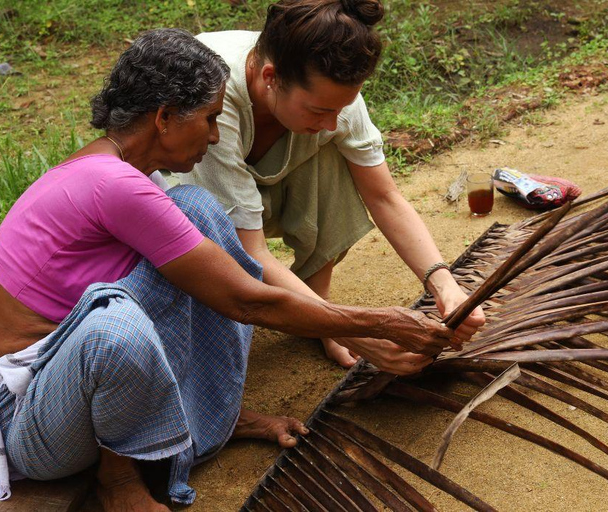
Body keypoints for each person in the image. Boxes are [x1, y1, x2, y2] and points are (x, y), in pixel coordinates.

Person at [0, 29, 474, 511]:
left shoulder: (116, 171)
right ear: (164, 118)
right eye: (209, 119)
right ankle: (117, 480)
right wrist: (378, 324)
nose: (213, 136)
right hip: (29, 421)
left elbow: (223, 280)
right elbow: (245, 299)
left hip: (69, 389)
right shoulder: (114, 184)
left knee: (199, 212)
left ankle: (213, 417)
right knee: (114, 330)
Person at [183, 0, 486, 368]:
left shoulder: (330, 96)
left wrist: (444, 284)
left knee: (332, 150)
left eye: (340, 108)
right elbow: (250, 252)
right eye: (320, 110)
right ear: (270, 77)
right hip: (193, 207)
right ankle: (320, 318)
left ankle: (316, 302)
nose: (331, 122)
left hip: (265, 189)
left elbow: (384, 196)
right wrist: (352, 330)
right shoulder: (214, 97)